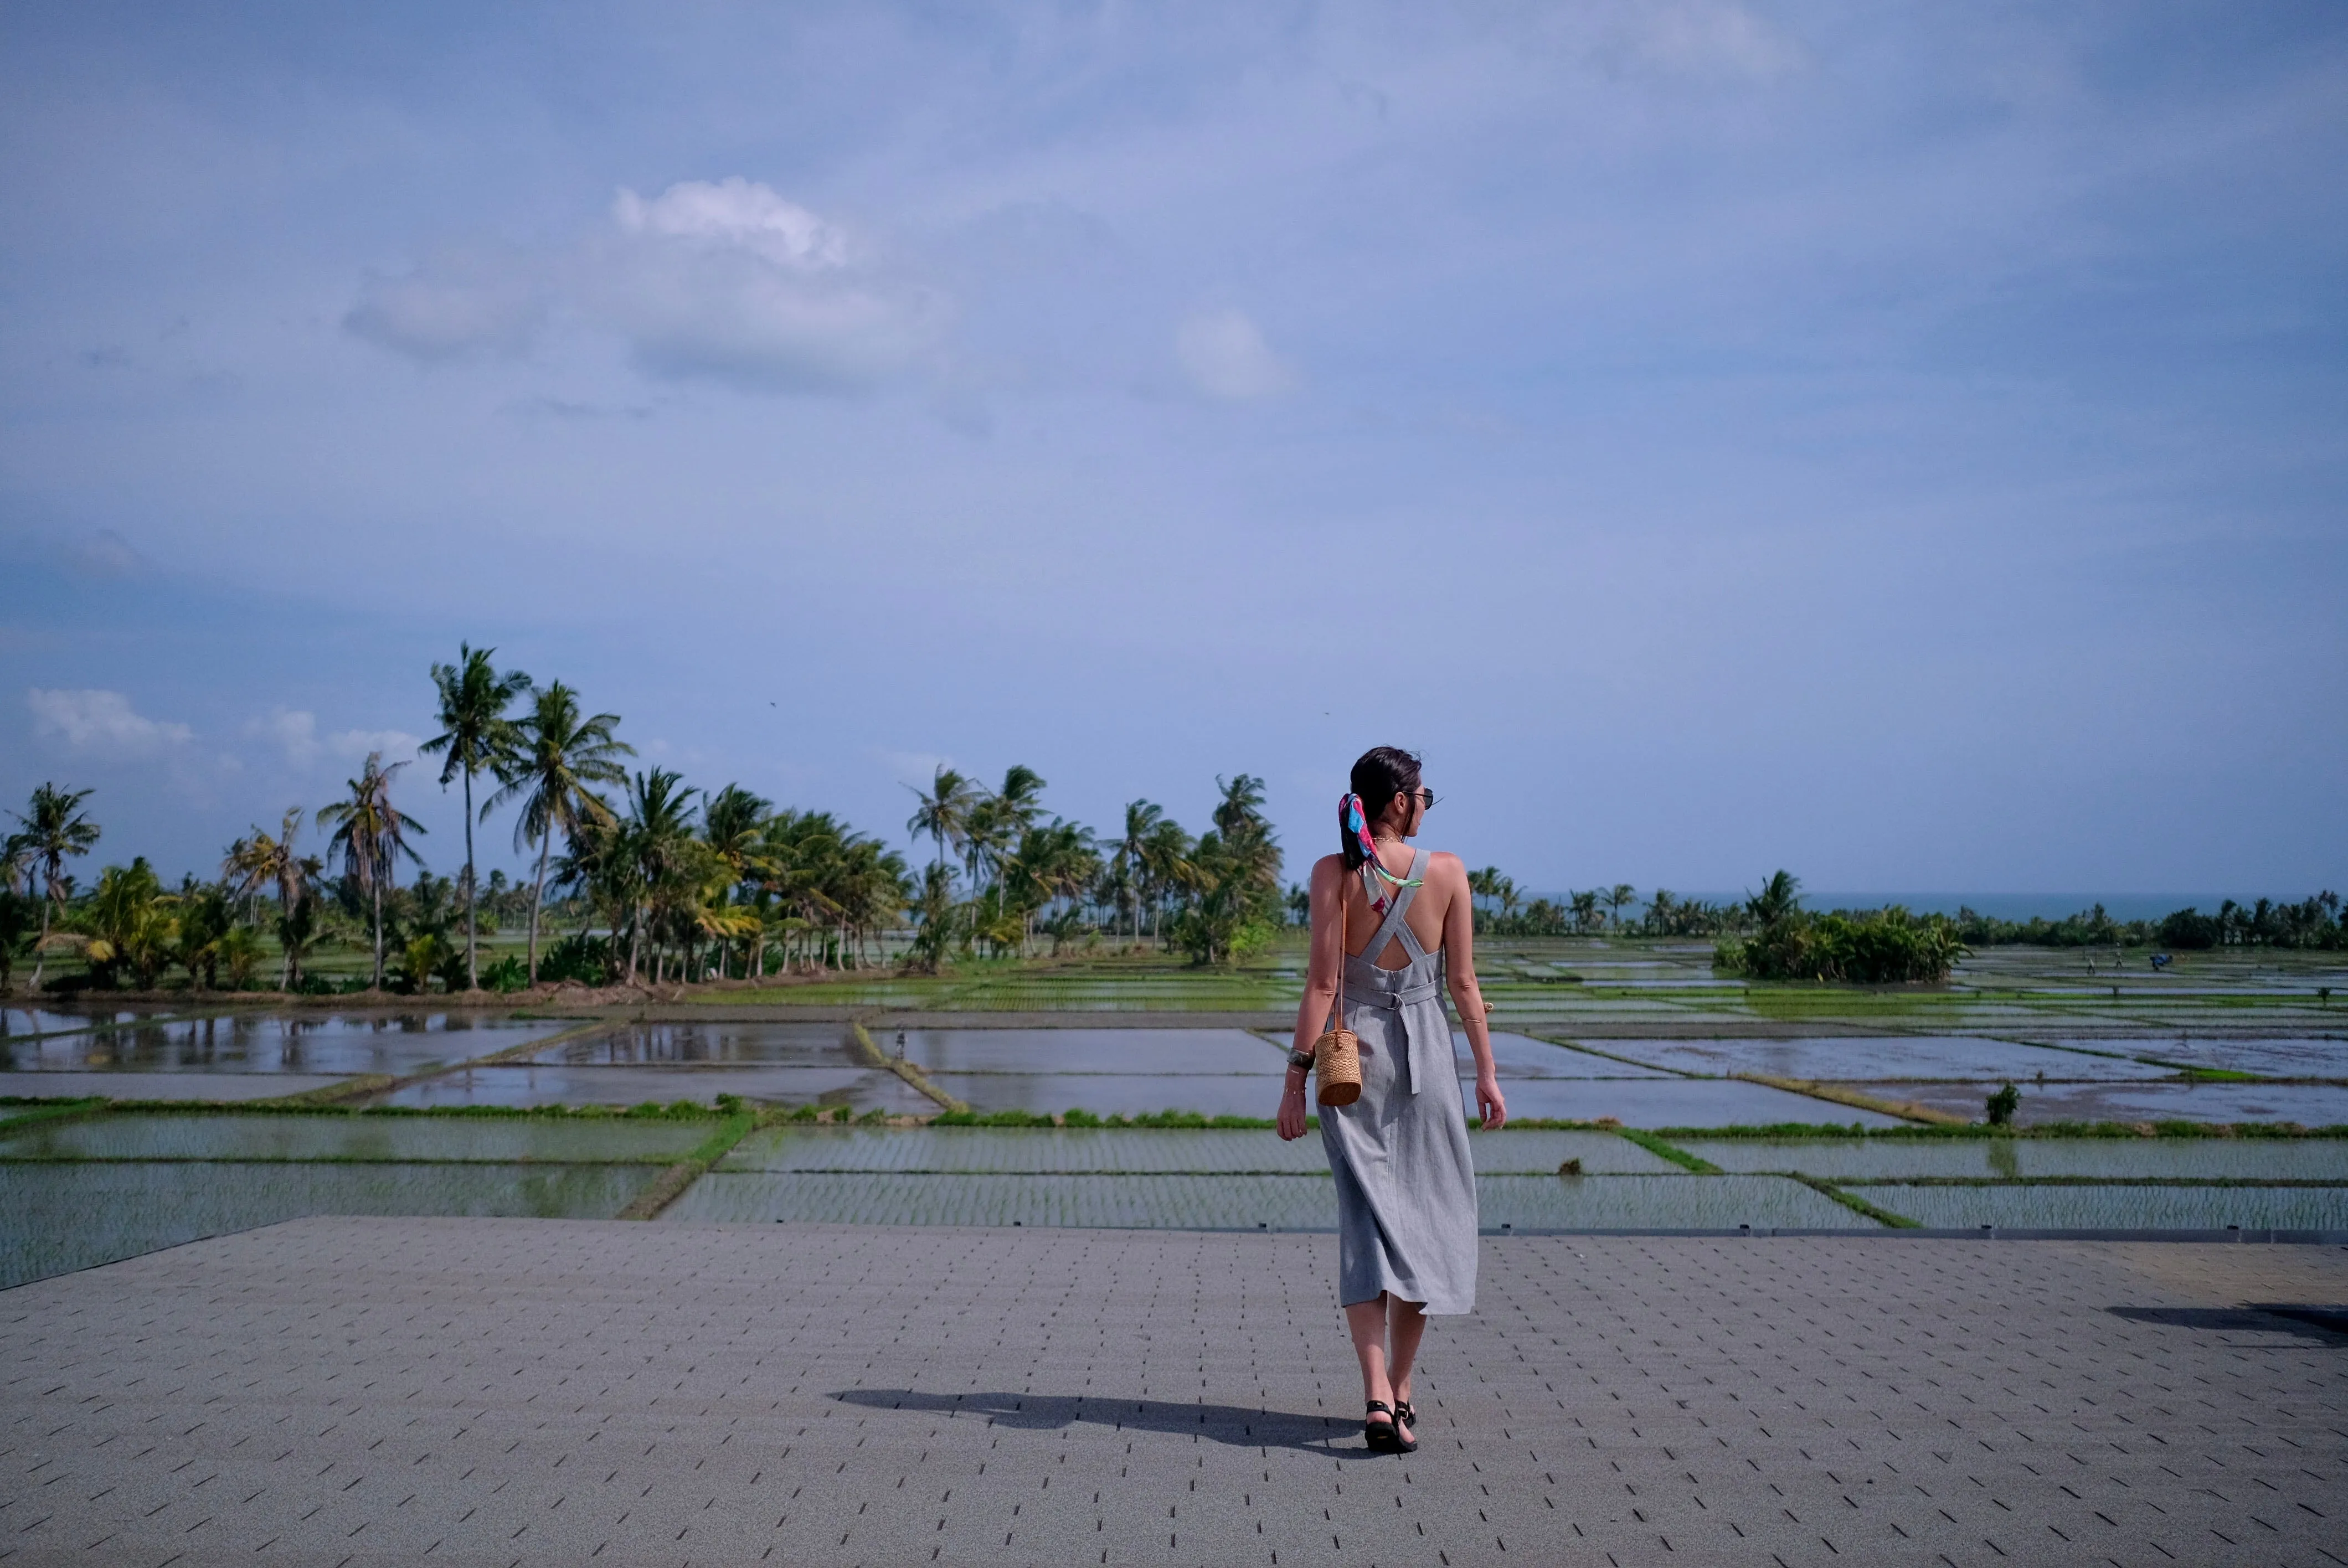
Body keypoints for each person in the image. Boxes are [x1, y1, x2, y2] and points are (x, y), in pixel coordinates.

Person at [1278, 745, 1505, 1455]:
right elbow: (1464, 988)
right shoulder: (1447, 873)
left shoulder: (1331, 873)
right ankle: (1401, 1398)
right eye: (1425, 793)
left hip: (1353, 1062)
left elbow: (1320, 986)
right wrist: (1488, 1076)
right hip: (1428, 1057)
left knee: (1367, 1225)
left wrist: (1292, 1082)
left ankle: (1374, 1393)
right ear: (1403, 801)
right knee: (1428, 1223)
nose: (1427, 803)